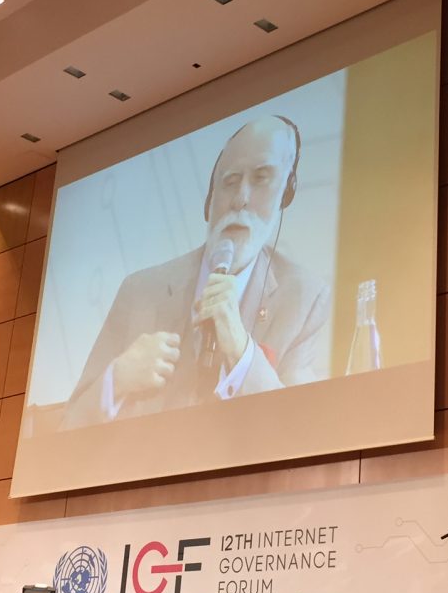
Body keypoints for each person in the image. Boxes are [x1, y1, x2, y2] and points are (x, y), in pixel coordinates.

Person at [63, 115, 330, 428]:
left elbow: (297, 429)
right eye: (230, 181)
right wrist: (117, 379)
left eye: (261, 178)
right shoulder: (139, 291)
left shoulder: (305, 299)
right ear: (209, 201)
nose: (241, 199)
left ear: (286, 192)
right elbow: (69, 425)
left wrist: (241, 351)